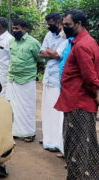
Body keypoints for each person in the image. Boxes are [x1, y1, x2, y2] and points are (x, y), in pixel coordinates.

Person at [54, 10, 99, 179]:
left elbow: (89, 77)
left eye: (67, 25)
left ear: (79, 24)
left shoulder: (81, 46)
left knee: (76, 147)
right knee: (88, 146)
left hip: (78, 104)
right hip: (79, 102)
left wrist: (95, 93)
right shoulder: (87, 41)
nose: (64, 28)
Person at [8, 19, 44, 142]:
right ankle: (16, 132)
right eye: (13, 29)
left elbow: (41, 60)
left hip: (27, 79)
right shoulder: (12, 42)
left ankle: (29, 133)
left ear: (25, 29)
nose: (15, 31)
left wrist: (35, 73)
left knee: (27, 107)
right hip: (12, 78)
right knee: (13, 107)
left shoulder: (33, 43)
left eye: (17, 29)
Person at [39, 13, 68, 154]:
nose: (49, 26)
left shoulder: (65, 37)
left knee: (58, 113)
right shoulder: (48, 35)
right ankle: (48, 140)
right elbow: (41, 53)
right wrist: (52, 53)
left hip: (58, 80)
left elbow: (59, 55)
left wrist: (50, 53)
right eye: (48, 24)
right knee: (47, 110)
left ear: (59, 22)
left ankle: (58, 142)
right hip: (47, 78)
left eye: (51, 24)